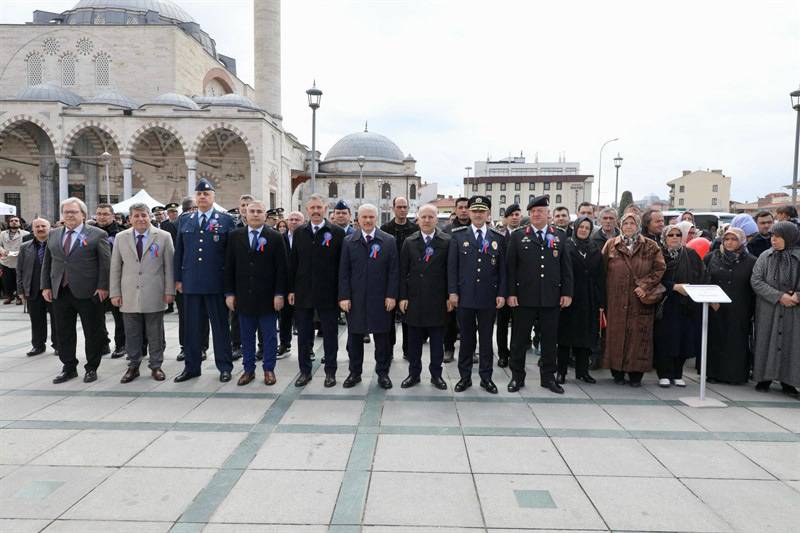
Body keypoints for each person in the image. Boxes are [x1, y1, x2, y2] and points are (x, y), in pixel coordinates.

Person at [506, 195, 573, 394]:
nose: (537, 214)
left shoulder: (559, 236)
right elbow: (511, 268)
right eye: (533, 211)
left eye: (541, 211)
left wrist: (567, 293)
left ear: (547, 214)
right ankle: (517, 377)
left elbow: (566, 268)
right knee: (519, 340)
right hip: (524, 298)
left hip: (551, 298)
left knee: (550, 340)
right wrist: (511, 293)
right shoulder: (518, 236)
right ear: (530, 214)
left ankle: (548, 377)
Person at [42, 197, 111, 384]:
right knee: (63, 331)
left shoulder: (97, 234)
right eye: (66, 212)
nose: (70, 215)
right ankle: (69, 367)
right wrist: (46, 286)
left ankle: (92, 367)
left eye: (74, 212)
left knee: (93, 331)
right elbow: (48, 262)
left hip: (88, 292)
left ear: (83, 214)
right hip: (60, 291)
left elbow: (106, 264)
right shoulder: (54, 234)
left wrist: (103, 286)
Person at [173, 179, 235, 383]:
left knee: (220, 328)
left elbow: (230, 256)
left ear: (213, 197)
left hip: (216, 283)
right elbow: (179, 251)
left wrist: (229, 286)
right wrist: (178, 279)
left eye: (206, 194)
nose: (202, 197)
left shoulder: (226, 220)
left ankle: (224, 366)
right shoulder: (185, 220)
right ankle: (192, 367)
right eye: (199, 194)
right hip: (191, 283)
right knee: (192, 328)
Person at [110, 203, 175, 383]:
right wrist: (115, 292)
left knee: (155, 332)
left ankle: (156, 365)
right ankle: (133, 366)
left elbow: (169, 267)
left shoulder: (163, 236)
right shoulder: (121, 238)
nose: (140, 219)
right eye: (136, 216)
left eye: (144, 215)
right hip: (129, 293)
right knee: (132, 333)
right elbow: (115, 267)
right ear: (129, 218)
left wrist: (170, 291)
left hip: (155, 292)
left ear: (150, 216)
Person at [225, 200, 287, 386]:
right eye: (252, 211)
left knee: (268, 337)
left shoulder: (275, 237)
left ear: (265, 215)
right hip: (244, 296)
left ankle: (269, 369)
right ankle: (248, 370)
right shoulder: (235, 236)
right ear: (245, 213)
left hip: (268, 297)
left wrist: (279, 294)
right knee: (246, 337)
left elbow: (282, 268)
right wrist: (229, 293)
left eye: (259, 211)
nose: (255, 214)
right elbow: (229, 267)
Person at [448, 195, 506, 394]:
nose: (478, 214)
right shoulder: (458, 236)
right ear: (469, 213)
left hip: (488, 297)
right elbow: (452, 268)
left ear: (488, 214)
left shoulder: (497, 238)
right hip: (464, 297)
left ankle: (486, 377)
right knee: (466, 339)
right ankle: (464, 377)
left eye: (482, 211)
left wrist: (501, 293)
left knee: (486, 340)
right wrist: (452, 292)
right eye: (475, 211)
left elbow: (502, 270)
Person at [339, 203, 399, 389]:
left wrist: (391, 295)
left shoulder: (388, 241)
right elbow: (344, 272)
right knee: (355, 339)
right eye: (364, 217)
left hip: (380, 300)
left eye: (371, 217)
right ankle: (354, 373)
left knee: (382, 340)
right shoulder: (349, 241)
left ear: (376, 218)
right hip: (355, 300)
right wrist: (344, 296)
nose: (367, 220)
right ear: (358, 219)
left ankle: (383, 374)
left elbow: (393, 271)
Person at [602, 212, 666, 387]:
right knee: (616, 336)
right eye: (626, 223)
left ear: (638, 225)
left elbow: (659, 269)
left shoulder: (651, 246)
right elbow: (602, 270)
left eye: (632, 223)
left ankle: (636, 374)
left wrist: (644, 285)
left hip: (640, 300)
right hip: (615, 299)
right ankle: (617, 372)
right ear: (620, 225)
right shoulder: (611, 245)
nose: (629, 226)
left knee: (639, 337)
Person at [289, 194, 345, 387]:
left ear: (325, 208)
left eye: (318, 207)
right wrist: (291, 290)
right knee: (304, 335)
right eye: (312, 207)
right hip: (303, 292)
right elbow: (293, 263)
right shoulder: (299, 232)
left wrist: (342, 293)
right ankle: (304, 371)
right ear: (307, 209)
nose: (315, 211)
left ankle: (330, 371)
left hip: (328, 293)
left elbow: (342, 266)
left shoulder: (337, 233)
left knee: (330, 335)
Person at [398, 204, 451, 389]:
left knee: (437, 343)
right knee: (414, 343)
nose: (427, 220)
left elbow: (450, 272)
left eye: (431, 217)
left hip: (438, 299)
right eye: (424, 217)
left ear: (437, 219)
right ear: (418, 219)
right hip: (415, 299)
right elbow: (402, 271)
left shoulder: (446, 241)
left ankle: (436, 375)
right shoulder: (409, 241)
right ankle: (414, 374)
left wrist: (449, 296)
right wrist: (402, 297)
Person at [750, 221, 800, 395]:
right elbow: (756, 281)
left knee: (792, 344)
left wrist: (796, 296)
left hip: (793, 310)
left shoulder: (798, 257)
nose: (774, 240)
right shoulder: (765, 256)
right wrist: (779, 296)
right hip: (768, 308)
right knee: (765, 341)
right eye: (772, 236)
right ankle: (764, 378)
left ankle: (789, 381)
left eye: (778, 237)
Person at [653, 224, 705, 387]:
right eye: (671, 235)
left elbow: (701, 274)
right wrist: (673, 286)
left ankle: (677, 373)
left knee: (684, 339)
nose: (674, 238)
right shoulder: (659, 254)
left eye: (677, 235)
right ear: (664, 237)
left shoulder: (690, 254)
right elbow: (654, 277)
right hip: (666, 304)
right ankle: (664, 373)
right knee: (665, 340)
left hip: (686, 305)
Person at [704, 227, 757, 384]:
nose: (729, 242)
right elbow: (704, 277)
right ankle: (713, 373)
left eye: (734, 239)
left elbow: (754, 285)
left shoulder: (751, 261)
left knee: (736, 340)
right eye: (726, 239)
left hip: (740, 306)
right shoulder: (712, 257)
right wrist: (710, 299)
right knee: (716, 338)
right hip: (716, 306)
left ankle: (735, 375)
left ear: (741, 241)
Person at [556, 216, 603, 384]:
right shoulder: (566, 245)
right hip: (569, 297)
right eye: (581, 227)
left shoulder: (594, 248)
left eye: (587, 228)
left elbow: (599, 275)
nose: (583, 230)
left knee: (585, 337)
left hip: (588, 298)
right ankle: (560, 371)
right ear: (575, 228)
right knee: (564, 337)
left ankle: (582, 372)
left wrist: (600, 300)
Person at [380, 196, 418, 360]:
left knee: (408, 316)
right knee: (388, 317)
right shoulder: (385, 229)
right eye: (399, 207)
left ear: (408, 208)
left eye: (405, 207)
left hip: (409, 279)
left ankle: (408, 350)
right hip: (388, 279)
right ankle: (388, 350)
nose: (402, 210)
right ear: (393, 208)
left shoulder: (415, 229)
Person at [16, 218, 58, 356]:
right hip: (32, 289)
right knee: (36, 319)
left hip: (53, 289)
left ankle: (58, 345)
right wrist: (21, 290)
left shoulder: (56, 245)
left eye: (43, 226)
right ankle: (38, 345)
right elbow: (20, 270)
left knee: (57, 319)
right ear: (32, 229)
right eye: (37, 226)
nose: (40, 229)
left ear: (49, 228)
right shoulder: (25, 247)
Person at [175, 196, 209, 362]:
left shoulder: (209, 223)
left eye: (195, 209)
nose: (194, 212)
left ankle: (202, 347)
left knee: (203, 316)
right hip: (186, 278)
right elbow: (176, 254)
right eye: (191, 209)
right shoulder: (178, 225)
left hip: (205, 278)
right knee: (185, 316)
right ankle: (185, 347)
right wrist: (177, 279)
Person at [94, 203, 124, 358]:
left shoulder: (121, 233)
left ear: (113, 216)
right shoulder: (89, 232)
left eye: (105, 214)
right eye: (99, 214)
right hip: (96, 280)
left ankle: (121, 345)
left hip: (117, 279)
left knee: (119, 315)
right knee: (97, 315)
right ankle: (103, 344)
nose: (102, 217)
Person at [443, 196, 470, 361]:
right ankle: (448, 348)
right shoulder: (447, 230)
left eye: (467, 207)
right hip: (451, 281)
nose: (464, 210)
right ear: (455, 209)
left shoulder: (478, 228)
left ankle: (470, 349)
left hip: (470, 282)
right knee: (449, 318)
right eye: (460, 207)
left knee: (469, 321)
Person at [496, 203, 522, 367]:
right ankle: (503, 354)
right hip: (502, 287)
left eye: (517, 214)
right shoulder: (498, 238)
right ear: (505, 219)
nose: (514, 217)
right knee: (502, 324)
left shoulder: (525, 236)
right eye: (511, 215)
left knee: (519, 325)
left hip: (520, 288)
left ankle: (515, 354)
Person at [277, 210, 304, 358]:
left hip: (302, 285)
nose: (293, 222)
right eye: (291, 219)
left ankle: (308, 347)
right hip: (285, 284)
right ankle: (284, 344)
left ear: (302, 222)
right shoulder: (279, 238)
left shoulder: (307, 237)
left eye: (297, 220)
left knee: (304, 319)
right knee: (285, 317)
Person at [0, 215, 28, 305]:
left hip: (19, 260)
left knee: (18, 280)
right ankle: (9, 296)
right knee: (6, 280)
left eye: (16, 220)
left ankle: (19, 297)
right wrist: (2, 250)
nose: (14, 222)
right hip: (6, 260)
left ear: (19, 223)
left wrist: (21, 252)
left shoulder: (26, 233)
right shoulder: (3, 233)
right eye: (12, 220)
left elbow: (28, 246)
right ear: (8, 223)